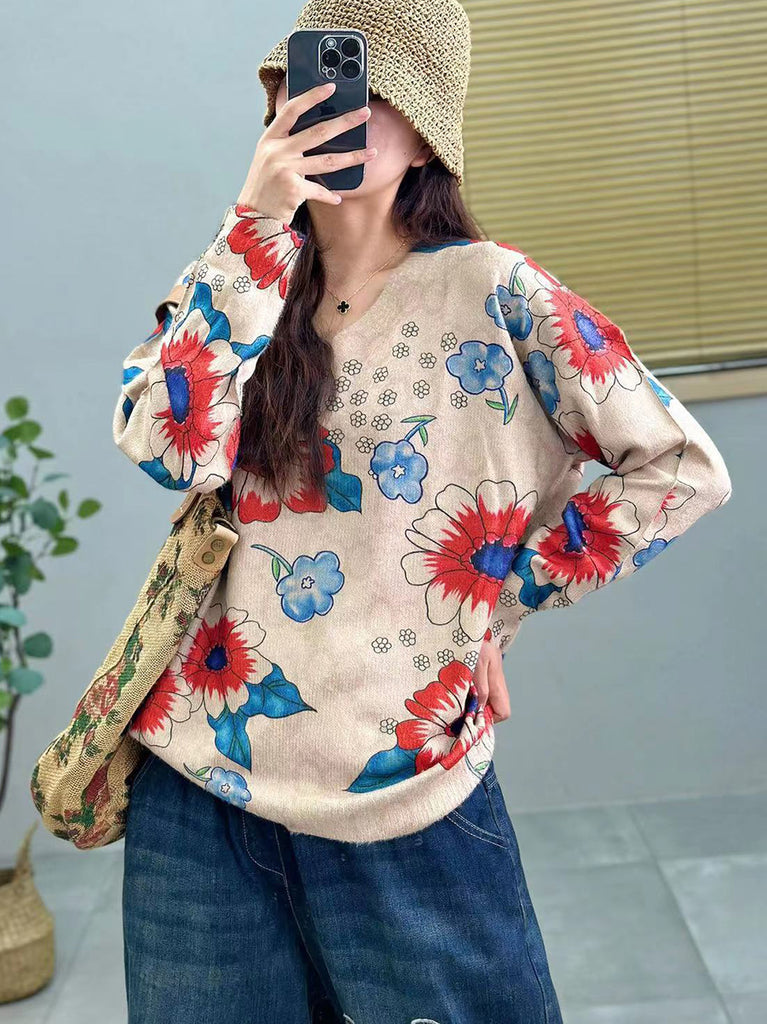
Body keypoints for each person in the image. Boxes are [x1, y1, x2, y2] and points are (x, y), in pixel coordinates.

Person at [116, 2, 732, 1022]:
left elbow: (679, 469)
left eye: (378, 92)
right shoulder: (236, 280)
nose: (345, 112)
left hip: (400, 791)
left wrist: (497, 596)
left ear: (428, 133)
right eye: (319, 85)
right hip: (198, 790)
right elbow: (168, 449)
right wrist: (254, 227)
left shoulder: (496, 294)